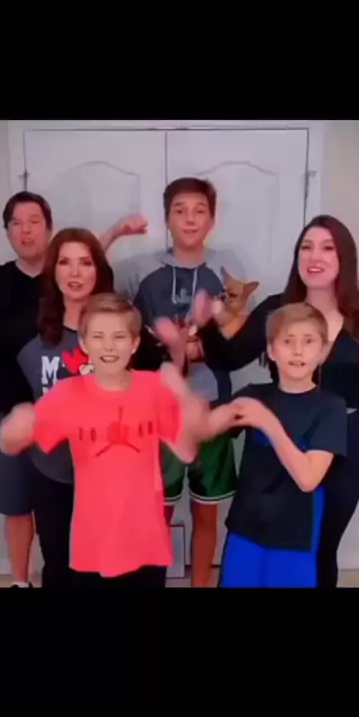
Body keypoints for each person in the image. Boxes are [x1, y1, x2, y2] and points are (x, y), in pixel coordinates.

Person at [160, 215, 359, 588]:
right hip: (277, 437)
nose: (315, 256)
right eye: (306, 247)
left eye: (327, 248)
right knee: (265, 544)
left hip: (342, 442)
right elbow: (229, 357)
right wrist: (207, 324)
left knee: (321, 549)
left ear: (344, 257)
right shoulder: (278, 308)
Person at [0, 191, 148, 588]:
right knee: (60, 563)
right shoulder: (29, 327)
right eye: (64, 262)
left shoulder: (121, 321)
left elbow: (156, 379)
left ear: (97, 270)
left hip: (113, 470)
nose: (75, 272)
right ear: (54, 271)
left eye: (85, 263)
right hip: (54, 473)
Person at [0, 293, 208, 589]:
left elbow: (186, 451)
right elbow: (10, 444)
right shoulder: (67, 394)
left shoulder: (154, 388)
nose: (109, 346)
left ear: (134, 343)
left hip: (148, 544)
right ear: (84, 344)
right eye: (98, 336)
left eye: (119, 337)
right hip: (93, 547)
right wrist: (13, 428)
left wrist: (184, 397)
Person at [115, 177, 245, 587]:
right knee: (159, 510)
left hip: (210, 411)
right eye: (180, 210)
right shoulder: (138, 270)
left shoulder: (228, 269)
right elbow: (93, 295)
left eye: (199, 210)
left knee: (207, 511)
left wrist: (200, 345)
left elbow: (238, 334)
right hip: (155, 414)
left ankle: (200, 583)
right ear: (167, 218)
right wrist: (115, 233)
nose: (190, 219)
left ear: (212, 219)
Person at [190, 303, 347, 587]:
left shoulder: (330, 408)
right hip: (245, 532)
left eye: (308, 342)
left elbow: (308, 479)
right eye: (288, 341)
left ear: (323, 352)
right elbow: (203, 430)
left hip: (295, 539)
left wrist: (267, 422)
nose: (298, 351)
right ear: (271, 351)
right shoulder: (254, 395)